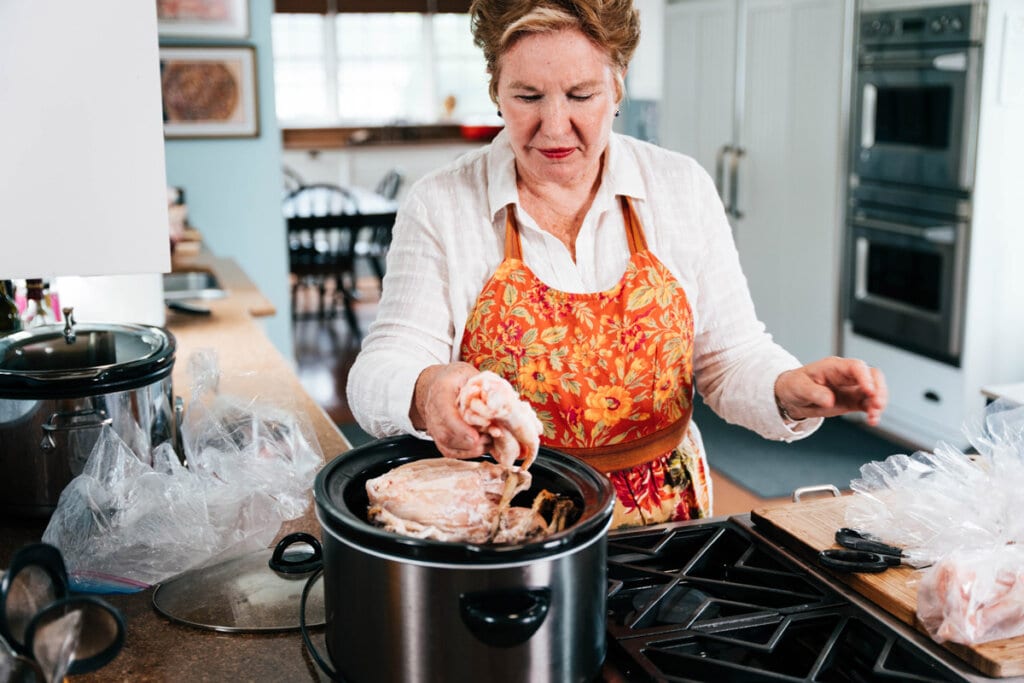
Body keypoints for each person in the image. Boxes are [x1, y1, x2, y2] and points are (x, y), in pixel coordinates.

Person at [348, 0, 887, 528]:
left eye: (581, 94)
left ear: (618, 84)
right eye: (527, 96)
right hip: (508, 523)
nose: (555, 126)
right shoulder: (443, 203)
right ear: (495, 88)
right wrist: (427, 389)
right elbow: (378, 371)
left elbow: (729, 357)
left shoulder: (680, 188)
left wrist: (785, 389)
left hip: (668, 526)